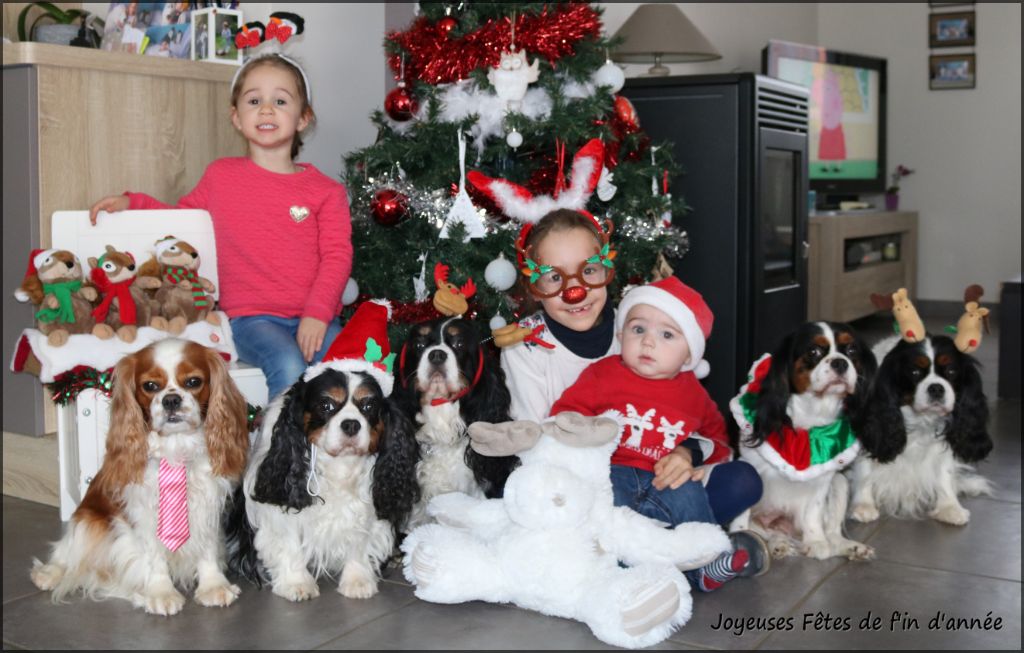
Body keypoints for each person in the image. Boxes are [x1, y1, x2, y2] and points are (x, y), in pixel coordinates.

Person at [89, 54, 353, 400]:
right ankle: (281, 453)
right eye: (254, 101)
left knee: (351, 370)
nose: (266, 110)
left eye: (281, 101)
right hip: (252, 320)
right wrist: (134, 203)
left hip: (314, 316)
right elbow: (180, 222)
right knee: (288, 366)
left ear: (303, 117)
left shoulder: (326, 192)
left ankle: (337, 452)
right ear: (236, 117)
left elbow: (337, 257)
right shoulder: (221, 176)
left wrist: (317, 315)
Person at [550, 276, 767, 592]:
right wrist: (589, 439)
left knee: (690, 496)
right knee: (607, 513)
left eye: (667, 334)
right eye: (638, 330)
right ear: (621, 335)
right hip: (614, 474)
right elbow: (563, 417)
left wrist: (687, 453)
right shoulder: (602, 374)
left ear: (688, 354)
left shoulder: (693, 393)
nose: (648, 342)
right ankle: (624, 575)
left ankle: (704, 568)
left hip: (664, 480)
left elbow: (719, 440)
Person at [500, 208, 620, 423]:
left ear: (606, 270)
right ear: (533, 288)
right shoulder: (524, 347)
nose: (575, 292)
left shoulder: (632, 330)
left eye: (589, 271)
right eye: (555, 277)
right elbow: (531, 434)